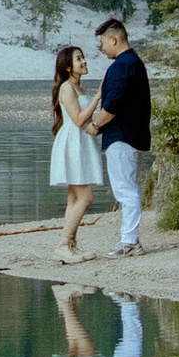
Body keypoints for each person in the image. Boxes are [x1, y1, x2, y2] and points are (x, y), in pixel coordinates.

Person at [93, 15, 150, 253]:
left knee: (124, 188)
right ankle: (129, 239)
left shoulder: (122, 65)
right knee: (125, 186)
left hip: (121, 135)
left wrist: (96, 126)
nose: (101, 48)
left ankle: (129, 241)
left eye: (102, 43)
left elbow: (113, 104)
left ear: (113, 39)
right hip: (129, 133)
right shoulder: (133, 62)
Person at [47, 40, 106, 254]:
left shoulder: (79, 87)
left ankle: (70, 244)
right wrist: (98, 97)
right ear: (68, 67)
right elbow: (79, 119)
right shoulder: (67, 88)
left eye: (83, 57)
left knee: (74, 197)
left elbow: (85, 121)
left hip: (82, 142)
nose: (84, 61)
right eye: (78, 59)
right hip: (73, 144)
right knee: (86, 197)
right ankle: (63, 244)